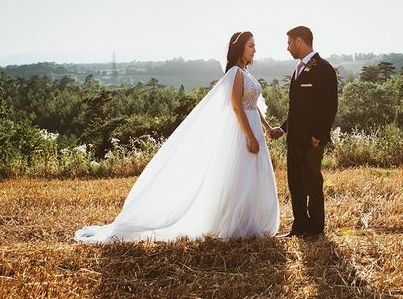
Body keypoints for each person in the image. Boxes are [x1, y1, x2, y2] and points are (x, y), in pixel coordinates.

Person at [75, 31, 280, 243]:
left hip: (254, 127)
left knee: (252, 176)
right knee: (241, 177)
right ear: (240, 48)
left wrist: (265, 128)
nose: (254, 49)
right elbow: (237, 107)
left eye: (254, 45)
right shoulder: (236, 73)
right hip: (242, 131)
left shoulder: (246, 73)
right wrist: (249, 136)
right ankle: (236, 225)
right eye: (251, 45)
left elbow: (253, 105)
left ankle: (251, 222)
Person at [269, 26, 338, 239]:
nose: (287, 47)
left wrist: (318, 137)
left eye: (289, 42)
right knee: (295, 185)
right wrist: (283, 127)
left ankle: (316, 228)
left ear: (299, 41)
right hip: (294, 139)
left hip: (312, 142)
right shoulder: (298, 69)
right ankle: (299, 226)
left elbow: (329, 107)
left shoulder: (324, 69)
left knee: (312, 184)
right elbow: (297, 109)